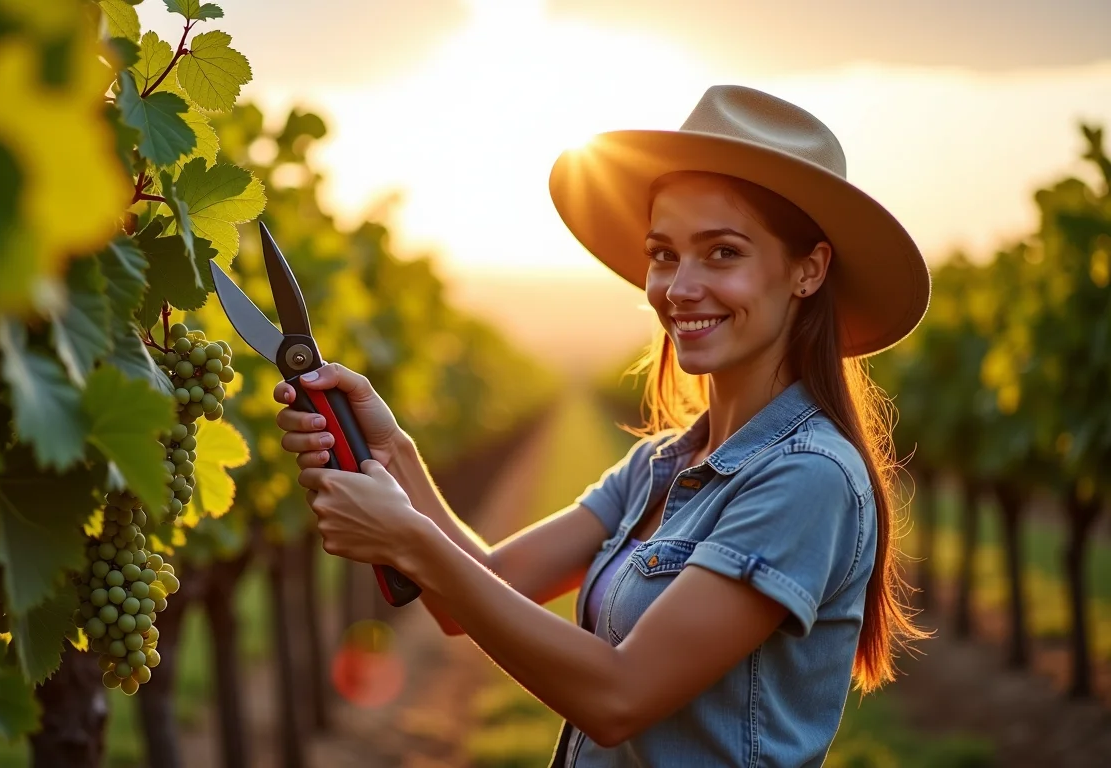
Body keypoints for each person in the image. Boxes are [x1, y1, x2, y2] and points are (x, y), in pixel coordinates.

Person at [271, 84, 933, 767]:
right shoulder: (662, 465)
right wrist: (393, 450)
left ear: (808, 269)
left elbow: (619, 697)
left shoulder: (807, 477)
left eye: (723, 253)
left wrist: (406, 535)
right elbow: (479, 589)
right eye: (663, 253)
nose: (678, 287)